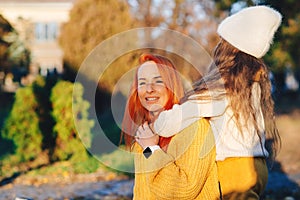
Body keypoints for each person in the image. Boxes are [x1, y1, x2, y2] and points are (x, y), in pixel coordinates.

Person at [148, 5, 282, 199]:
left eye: (222, 41)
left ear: (227, 49)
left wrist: (157, 118)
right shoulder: (253, 87)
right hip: (257, 168)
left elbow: (169, 124)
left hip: (230, 171)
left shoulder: (220, 91)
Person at [120, 53, 220, 199]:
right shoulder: (144, 137)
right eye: (142, 83)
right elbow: (141, 195)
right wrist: (149, 148)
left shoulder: (195, 127)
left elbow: (182, 190)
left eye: (158, 81)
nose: (149, 89)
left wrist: (152, 149)